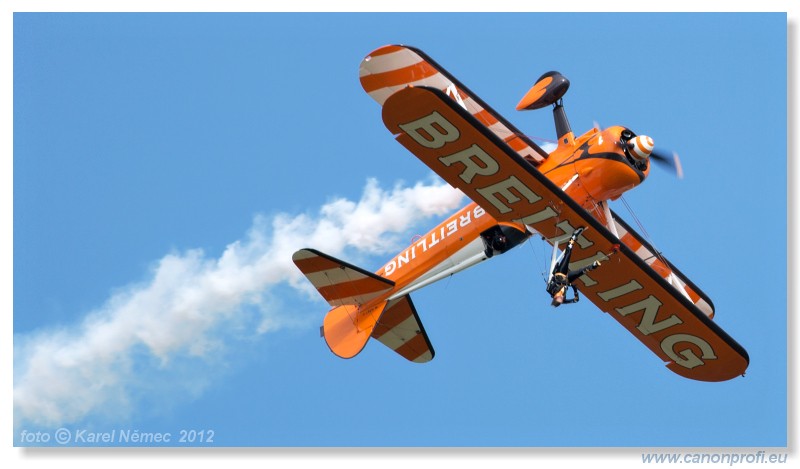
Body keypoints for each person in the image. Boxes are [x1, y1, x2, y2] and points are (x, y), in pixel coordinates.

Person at [546, 227, 601, 307]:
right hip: (567, 280)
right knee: (581, 272)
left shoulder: (550, 290)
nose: (561, 297)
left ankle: (573, 237)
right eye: (561, 299)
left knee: (567, 255)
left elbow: (552, 279)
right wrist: (575, 290)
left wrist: (555, 270)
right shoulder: (563, 300)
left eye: (558, 297)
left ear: (554, 297)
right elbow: (576, 300)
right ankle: (593, 266)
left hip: (560, 273)